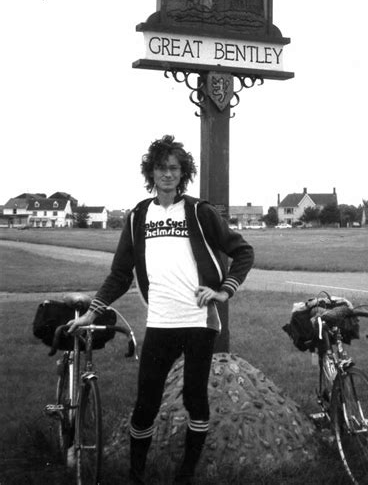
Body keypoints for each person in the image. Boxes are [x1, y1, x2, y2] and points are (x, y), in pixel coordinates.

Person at [68, 135, 254, 484]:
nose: (167, 174)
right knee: (146, 403)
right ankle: (135, 474)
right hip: (161, 321)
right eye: (160, 168)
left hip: (199, 321)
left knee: (195, 398)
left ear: (183, 173)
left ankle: (185, 474)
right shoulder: (139, 215)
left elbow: (242, 251)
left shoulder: (199, 212)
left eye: (174, 168)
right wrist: (93, 311)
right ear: (150, 172)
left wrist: (224, 290)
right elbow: (121, 274)